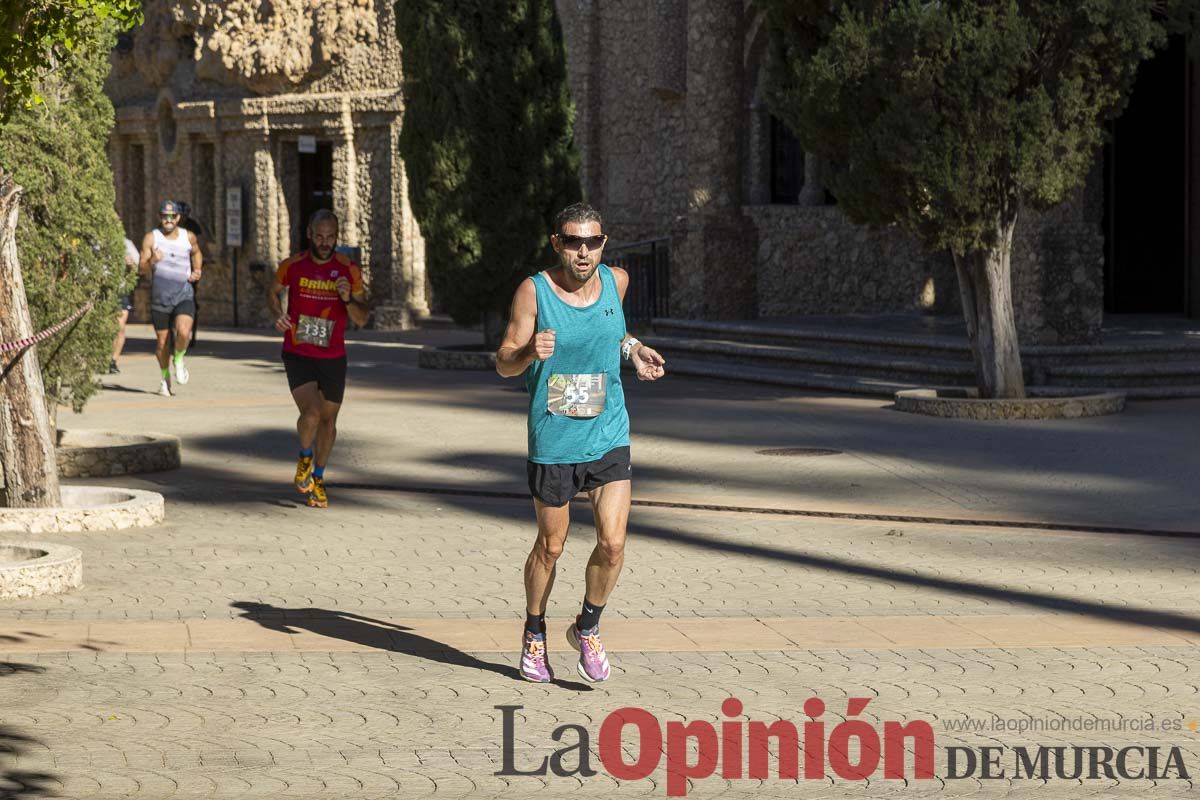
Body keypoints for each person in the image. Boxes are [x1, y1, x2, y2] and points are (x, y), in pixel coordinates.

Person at [496, 202, 666, 683]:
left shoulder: (618, 281)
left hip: (608, 433)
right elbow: (503, 362)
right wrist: (528, 352)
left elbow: (612, 330)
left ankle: (587, 626)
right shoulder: (533, 292)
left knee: (612, 544)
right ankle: (534, 631)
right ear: (557, 244)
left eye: (592, 242)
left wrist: (633, 349)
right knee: (551, 547)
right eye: (573, 241)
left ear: (603, 244)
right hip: (554, 439)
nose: (583, 251)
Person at [268, 209, 369, 509]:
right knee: (311, 413)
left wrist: (347, 299)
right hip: (298, 351)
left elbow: (362, 318)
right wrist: (278, 314)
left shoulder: (348, 270)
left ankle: (319, 479)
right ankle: (304, 458)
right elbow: (272, 292)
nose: (325, 242)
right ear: (309, 234)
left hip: (333, 356)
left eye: (331, 237)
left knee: (328, 422)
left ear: (337, 237)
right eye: (320, 236)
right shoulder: (292, 265)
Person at [140, 200, 202, 396]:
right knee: (162, 343)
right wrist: (152, 260)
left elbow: (197, 253)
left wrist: (197, 270)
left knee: (184, 332)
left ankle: (179, 358)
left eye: (171, 216)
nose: (168, 220)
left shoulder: (188, 236)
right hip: (160, 298)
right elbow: (141, 269)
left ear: (178, 217)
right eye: (164, 216)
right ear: (159, 217)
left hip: (183, 294)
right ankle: (164, 377)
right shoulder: (151, 238)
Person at [175, 201, 204, 346]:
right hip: (173, 265)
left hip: (189, 267)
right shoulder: (168, 225)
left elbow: (201, 244)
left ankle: (190, 333)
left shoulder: (193, 226)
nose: (182, 219)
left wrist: (205, 258)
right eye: (180, 215)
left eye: (185, 216)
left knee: (191, 297)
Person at [109, 236, 139, 374]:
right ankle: (100, 358)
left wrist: (130, 264)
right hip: (98, 291)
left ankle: (113, 361)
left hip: (120, 291)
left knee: (120, 326)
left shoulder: (126, 243)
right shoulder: (94, 242)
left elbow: (139, 266)